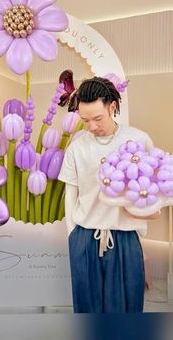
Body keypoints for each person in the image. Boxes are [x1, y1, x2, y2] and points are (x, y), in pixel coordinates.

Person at [58, 76, 159, 313]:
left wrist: (141, 229)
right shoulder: (77, 147)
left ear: (112, 107)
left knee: (127, 308)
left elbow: (151, 192)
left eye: (97, 118)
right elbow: (70, 193)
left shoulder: (139, 140)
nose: (92, 126)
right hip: (84, 236)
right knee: (87, 311)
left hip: (125, 237)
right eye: (85, 120)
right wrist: (73, 235)